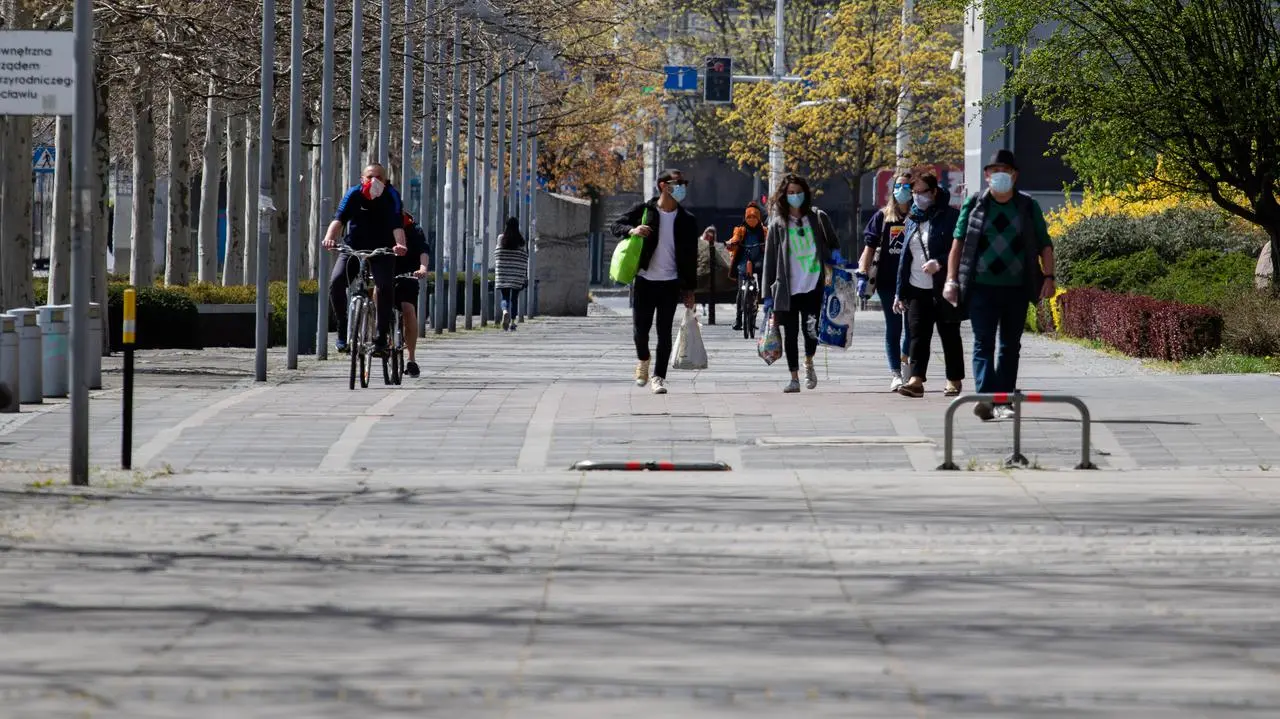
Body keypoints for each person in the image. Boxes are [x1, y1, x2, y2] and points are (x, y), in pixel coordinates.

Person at [944, 149, 1056, 421]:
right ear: (986, 175)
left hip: (1017, 287)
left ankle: (1003, 401)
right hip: (981, 287)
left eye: (1006, 171)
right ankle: (985, 398)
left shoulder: (1027, 206)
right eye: (995, 171)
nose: (1000, 176)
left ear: (1015, 175)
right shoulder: (974, 205)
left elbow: (1044, 244)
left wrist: (1049, 278)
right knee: (983, 343)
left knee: (1009, 345)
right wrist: (950, 280)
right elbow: (957, 243)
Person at [610, 169, 699, 395]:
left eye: (683, 183)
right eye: (677, 183)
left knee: (664, 332)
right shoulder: (646, 210)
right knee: (640, 330)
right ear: (663, 185)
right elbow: (615, 225)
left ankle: (658, 377)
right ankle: (643, 359)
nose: (681, 187)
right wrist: (633, 230)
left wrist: (690, 289)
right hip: (644, 280)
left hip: (670, 283)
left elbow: (690, 257)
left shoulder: (687, 220)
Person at [762, 173, 839, 393]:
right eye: (790, 193)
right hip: (787, 288)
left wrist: (833, 262)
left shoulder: (817, 217)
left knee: (811, 330)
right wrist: (767, 295)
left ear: (805, 194)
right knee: (790, 333)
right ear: (784, 196)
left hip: (814, 285)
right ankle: (794, 377)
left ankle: (809, 362)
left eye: (798, 192)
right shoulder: (778, 223)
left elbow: (833, 243)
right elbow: (770, 258)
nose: (795, 196)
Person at [322, 163, 408, 356]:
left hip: (382, 250)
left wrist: (400, 245)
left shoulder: (391, 195)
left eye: (378, 177)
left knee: (385, 287)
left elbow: (397, 224)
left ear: (385, 181)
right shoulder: (354, 194)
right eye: (369, 177)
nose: (374, 181)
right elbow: (339, 219)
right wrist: (329, 237)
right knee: (336, 281)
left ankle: (381, 336)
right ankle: (343, 328)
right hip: (353, 247)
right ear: (362, 179)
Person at [892, 171, 965, 398]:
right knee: (917, 334)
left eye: (921, 192)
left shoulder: (950, 216)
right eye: (913, 193)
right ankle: (915, 380)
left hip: (943, 286)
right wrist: (899, 292)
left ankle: (953, 379)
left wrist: (940, 263)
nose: (916, 197)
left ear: (934, 192)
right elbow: (905, 257)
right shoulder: (913, 218)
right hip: (917, 287)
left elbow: (959, 250)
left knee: (949, 333)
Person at [859, 172, 914, 391]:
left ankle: (906, 363)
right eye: (899, 186)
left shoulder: (918, 216)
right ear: (893, 190)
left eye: (907, 186)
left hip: (913, 281)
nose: (903, 190)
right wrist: (862, 273)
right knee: (893, 327)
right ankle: (896, 373)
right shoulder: (882, 217)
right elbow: (870, 247)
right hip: (887, 281)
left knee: (911, 328)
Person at [395, 212, 430, 377]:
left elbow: (423, 250)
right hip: (386, 274)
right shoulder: (380, 225)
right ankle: (380, 336)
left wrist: (422, 268)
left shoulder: (414, 228)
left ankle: (411, 358)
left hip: (408, 274)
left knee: (408, 309)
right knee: (377, 296)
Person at [728, 202, 766, 331]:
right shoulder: (740, 229)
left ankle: (754, 312)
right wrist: (732, 243)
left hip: (758, 260)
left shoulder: (764, 230)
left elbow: (769, 242)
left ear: (758, 218)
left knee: (759, 284)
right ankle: (739, 319)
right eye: (748, 217)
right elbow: (734, 238)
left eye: (754, 217)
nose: (751, 219)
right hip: (744, 261)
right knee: (740, 291)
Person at [494, 216, 529, 332]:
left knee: (504, 297)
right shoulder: (521, 241)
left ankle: (505, 311)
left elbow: (498, 253)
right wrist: (525, 276)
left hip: (504, 273)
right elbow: (524, 258)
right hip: (516, 274)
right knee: (514, 298)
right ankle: (513, 322)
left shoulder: (501, 238)